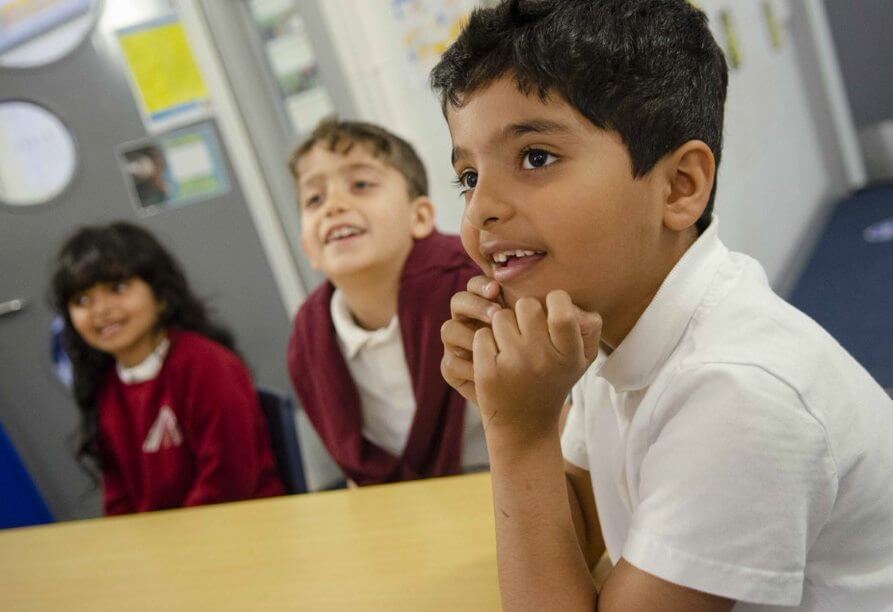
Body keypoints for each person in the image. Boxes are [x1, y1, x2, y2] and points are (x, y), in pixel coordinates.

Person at [432, 0, 893, 610]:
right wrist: (516, 410)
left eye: (535, 157)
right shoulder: (614, 321)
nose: (479, 209)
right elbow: (576, 523)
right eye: (468, 176)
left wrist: (517, 433)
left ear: (680, 186)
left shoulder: (738, 393)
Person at [287, 118, 488, 486]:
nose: (334, 205)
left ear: (421, 216)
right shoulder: (309, 333)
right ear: (308, 249)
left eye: (361, 185)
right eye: (314, 198)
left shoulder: (474, 288)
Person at [51, 222, 284, 515]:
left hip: (241, 528)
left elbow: (229, 483)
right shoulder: (106, 386)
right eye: (82, 300)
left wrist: (172, 548)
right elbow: (118, 497)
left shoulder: (206, 364)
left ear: (160, 295)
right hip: (169, 545)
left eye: (117, 288)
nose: (101, 310)